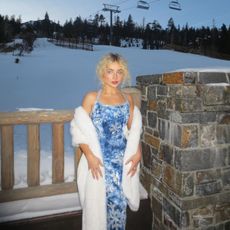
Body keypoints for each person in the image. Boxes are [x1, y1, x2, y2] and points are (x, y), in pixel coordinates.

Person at [70, 53, 143, 230]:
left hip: (122, 164)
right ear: (102, 73)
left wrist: (138, 151)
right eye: (110, 71)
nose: (115, 77)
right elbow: (78, 129)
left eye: (119, 72)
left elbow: (133, 131)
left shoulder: (128, 99)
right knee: (98, 210)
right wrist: (89, 156)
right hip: (99, 163)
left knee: (118, 207)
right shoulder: (91, 98)